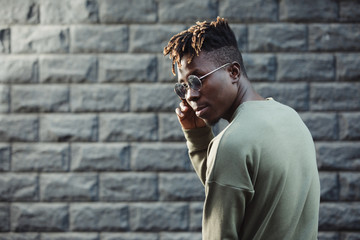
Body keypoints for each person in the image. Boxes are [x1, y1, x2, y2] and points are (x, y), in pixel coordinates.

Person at [163, 17, 320, 240]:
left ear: (233, 72)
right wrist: (198, 137)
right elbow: (235, 186)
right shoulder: (290, 118)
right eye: (184, 86)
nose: (190, 95)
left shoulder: (232, 143)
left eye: (197, 80)